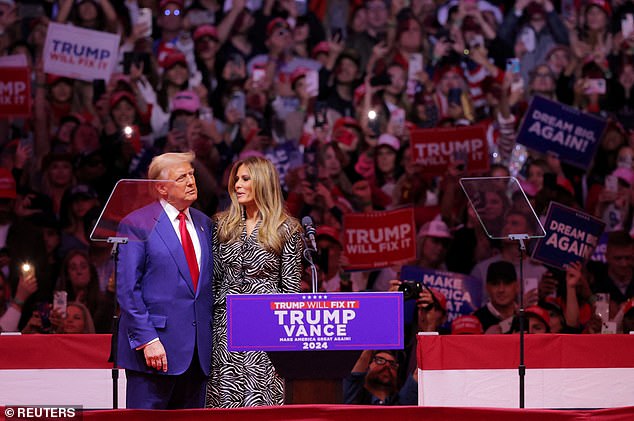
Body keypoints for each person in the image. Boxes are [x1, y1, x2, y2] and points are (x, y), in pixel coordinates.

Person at [116, 151, 214, 409]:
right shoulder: (137, 223)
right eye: (182, 177)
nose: (192, 182)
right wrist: (147, 339)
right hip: (153, 354)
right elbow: (127, 290)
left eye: (192, 175)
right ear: (161, 188)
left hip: (197, 356)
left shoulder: (205, 223)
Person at [206, 156, 303, 408]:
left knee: (260, 401)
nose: (237, 184)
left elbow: (290, 291)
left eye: (245, 179)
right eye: (236, 179)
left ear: (262, 182)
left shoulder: (286, 229)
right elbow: (213, 281)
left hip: (265, 329)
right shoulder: (221, 225)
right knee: (223, 401)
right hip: (224, 328)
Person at [343, 349, 417, 405]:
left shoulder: (401, 403)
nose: (387, 365)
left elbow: (419, 373)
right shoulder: (355, 397)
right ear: (367, 366)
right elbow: (362, 360)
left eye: (392, 364)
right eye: (380, 360)